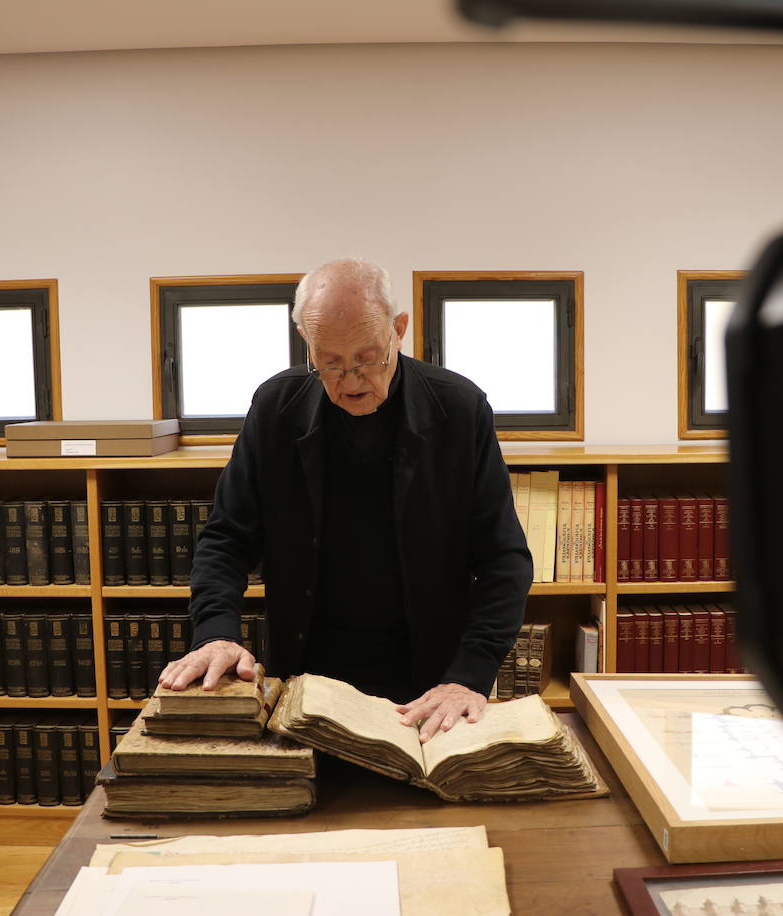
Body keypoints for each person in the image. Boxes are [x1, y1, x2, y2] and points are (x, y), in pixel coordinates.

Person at [158, 258, 533, 742]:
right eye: (329, 362)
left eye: (366, 357)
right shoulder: (276, 409)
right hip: (308, 678)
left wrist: (469, 675)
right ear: (305, 341)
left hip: (432, 685)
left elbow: (505, 559)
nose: (351, 379)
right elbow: (227, 538)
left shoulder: (458, 410)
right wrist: (215, 633)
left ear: (399, 330)